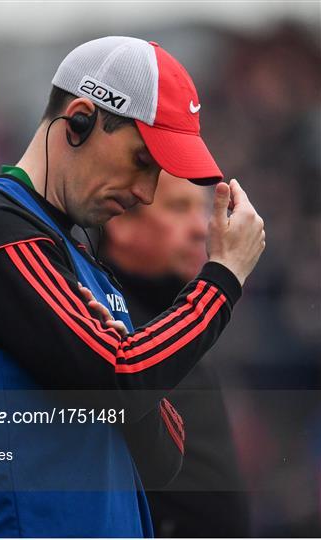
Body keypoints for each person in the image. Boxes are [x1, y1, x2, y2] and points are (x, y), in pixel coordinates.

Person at [0, 36, 265, 537]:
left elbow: (164, 457)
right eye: (142, 161)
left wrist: (113, 360)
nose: (145, 192)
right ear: (80, 119)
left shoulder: (83, 263)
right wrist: (222, 279)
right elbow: (122, 380)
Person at [104, 171, 250, 537]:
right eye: (178, 207)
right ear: (120, 222)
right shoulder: (108, 328)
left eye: (200, 210)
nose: (201, 229)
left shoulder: (178, 321)